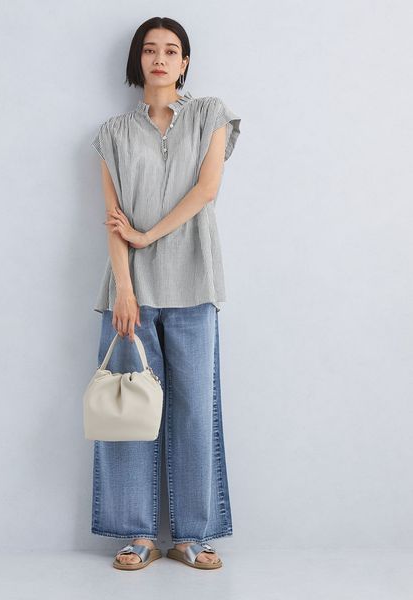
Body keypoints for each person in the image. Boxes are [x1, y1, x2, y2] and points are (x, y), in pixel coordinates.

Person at [90, 16, 241, 570]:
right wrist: (124, 289)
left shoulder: (210, 115)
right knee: (129, 411)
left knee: (195, 410)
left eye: (171, 50)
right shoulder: (112, 133)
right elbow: (112, 220)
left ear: (185, 62)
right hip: (131, 291)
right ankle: (137, 533)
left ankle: (193, 534)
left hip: (194, 281)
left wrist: (147, 235)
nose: (160, 59)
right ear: (138, 60)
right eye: (150, 50)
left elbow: (206, 190)